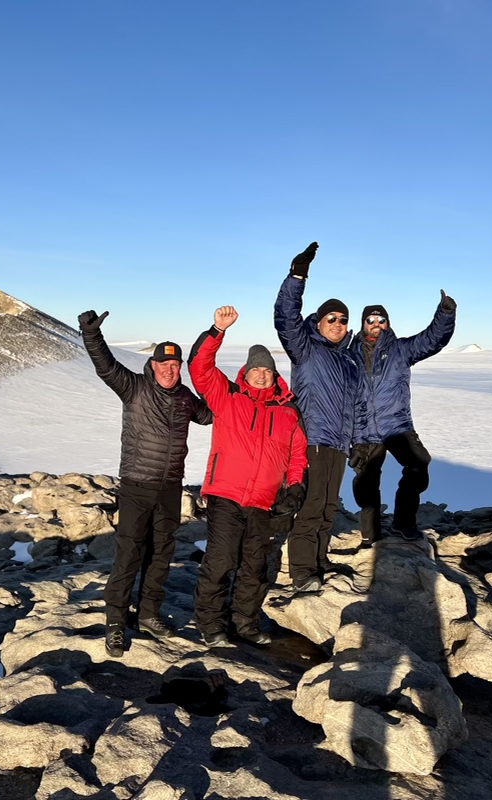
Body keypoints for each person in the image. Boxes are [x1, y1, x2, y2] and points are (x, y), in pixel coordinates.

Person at [78, 309, 212, 658]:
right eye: (164, 364)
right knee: (130, 553)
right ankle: (115, 622)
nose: (170, 370)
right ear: (152, 366)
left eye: (175, 365)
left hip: (170, 488)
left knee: (162, 554)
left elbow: (212, 414)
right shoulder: (134, 387)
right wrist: (91, 334)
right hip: (137, 485)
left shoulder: (185, 398)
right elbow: (105, 365)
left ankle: (149, 613)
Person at [188, 305, 308, 646]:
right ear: (245, 372)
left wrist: (296, 487)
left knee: (254, 566)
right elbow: (198, 368)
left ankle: (245, 623)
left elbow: (297, 453)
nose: (260, 374)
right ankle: (211, 624)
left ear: (274, 375)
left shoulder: (287, 410)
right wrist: (217, 331)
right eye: (255, 369)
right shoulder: (228, 396)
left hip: (264, 501)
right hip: (226, 494)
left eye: (266, 370)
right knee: (222, 559)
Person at [274, 242, 360, 593]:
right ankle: (302, 572)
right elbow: (285, 316)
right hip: (312, 440)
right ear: (319, 322)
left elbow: (355, 405)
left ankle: (320, 560)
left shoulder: (348, 360)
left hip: (338, 444)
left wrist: (358, 442)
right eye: (332, 318)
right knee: (310, 508)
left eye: (343, 320)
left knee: (328, 508)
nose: (338, 324)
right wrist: (297, 276)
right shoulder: (306, 348)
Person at [349, 292, 456, 544]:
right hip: (363, 429)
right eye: (371, 320)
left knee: (419, 464)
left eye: (381, 320)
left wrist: (446, 314)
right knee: (366, 481)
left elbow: (432, 339)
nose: (376, 325)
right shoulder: (349, 355)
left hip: (396, 425)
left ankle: (403, 522)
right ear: (363, 324)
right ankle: (370, 533)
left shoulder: (401, 349)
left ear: (388, 324)